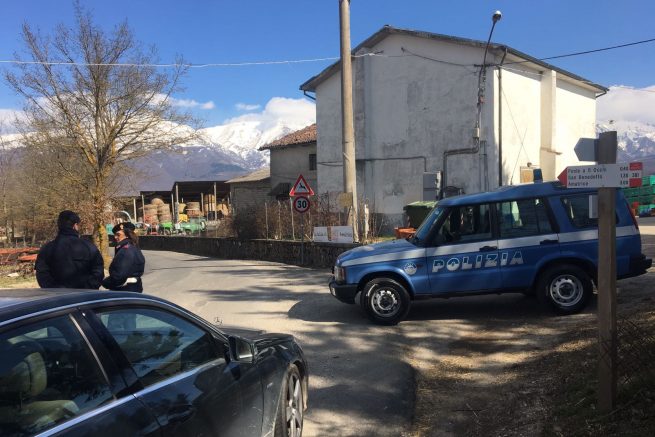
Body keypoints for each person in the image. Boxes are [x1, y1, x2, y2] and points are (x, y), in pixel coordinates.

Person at [35, 210, 104, 289]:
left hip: (57, 295)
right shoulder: (89, 247)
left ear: (59, 226)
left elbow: (42, 275)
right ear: (75, 226)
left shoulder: (46, 249)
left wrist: (56, 290)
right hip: (86, 295)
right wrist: (87, 289)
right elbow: (98, 272)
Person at [102, 222, 145, 292]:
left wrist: (105, 282)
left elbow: (119, 276)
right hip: (133, 288)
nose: (115, 237)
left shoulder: (126, 250)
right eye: (115, 235)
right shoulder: (132, 246)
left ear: (127, 235)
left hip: (125, 290)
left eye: (118, 235)